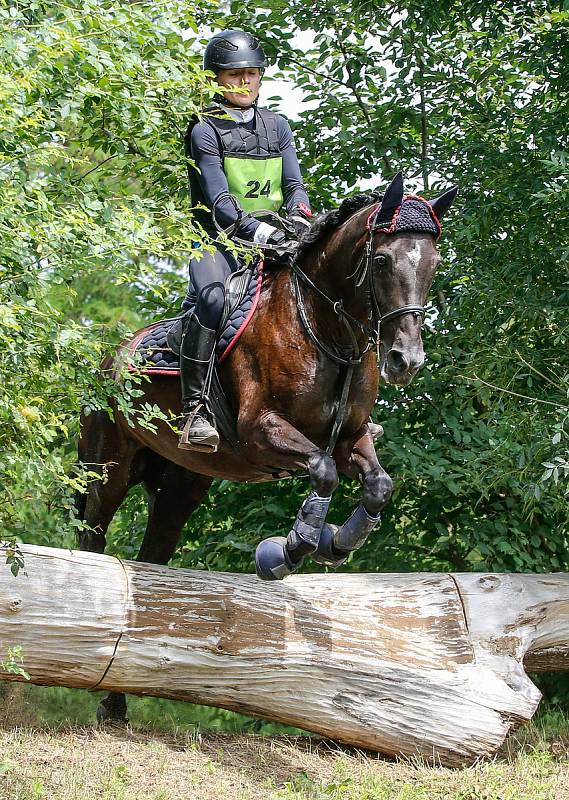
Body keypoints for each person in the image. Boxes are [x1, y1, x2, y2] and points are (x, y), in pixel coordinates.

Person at [180, 29, 312, 452]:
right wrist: (257, 230)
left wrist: (300, 219)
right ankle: (195, 410)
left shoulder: (278, 126)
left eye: (252, 74)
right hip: (218, 243)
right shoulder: (204, 129)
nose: (245, 83)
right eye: (235, 75)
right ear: (216, 79)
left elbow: (294, 185)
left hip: (276, 241)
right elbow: (219, 201)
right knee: (215, 300)